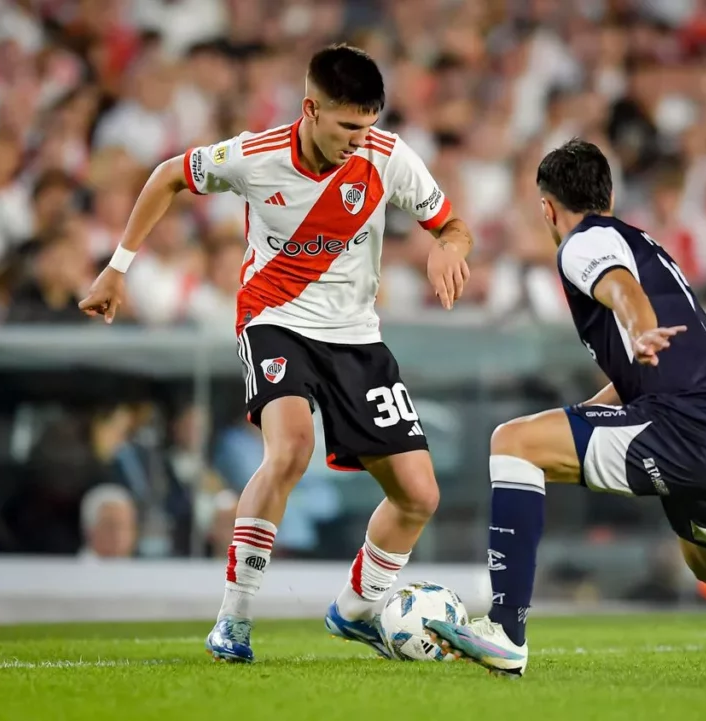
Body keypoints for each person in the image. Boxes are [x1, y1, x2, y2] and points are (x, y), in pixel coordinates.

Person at [425, 140, 706, 678]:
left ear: (547, 208)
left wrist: (638, 327)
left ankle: (505, 632)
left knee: (512, 442)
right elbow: (633, 368)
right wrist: (585, 412)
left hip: (684, 423)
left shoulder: (584, 242)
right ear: (611, 193)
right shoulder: (642, 242)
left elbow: (622, 292)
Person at [78, 44, 473, 663]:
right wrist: (117, 267)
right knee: (290, 448)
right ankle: (233, 619)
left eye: (367, 126)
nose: (358, 140)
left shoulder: (388, 156)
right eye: (347, 126)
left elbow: (452, 224)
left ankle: (358, 609)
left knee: (419, 495)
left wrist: (449, 246)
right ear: (311, 109)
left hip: (355, 336)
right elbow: (168, 176)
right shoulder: (255, 156)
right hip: (274, 320)